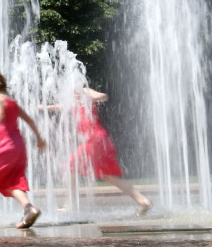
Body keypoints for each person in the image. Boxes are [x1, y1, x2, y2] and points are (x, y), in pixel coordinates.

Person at [56, 87, 152, 216]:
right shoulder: (75, 103)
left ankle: (70, 205)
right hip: (99, 140)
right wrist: (39, 107)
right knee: (107, 176)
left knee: (69, 167)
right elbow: (58, 107)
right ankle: (142, 201)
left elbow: (103, 96)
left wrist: (86, 95)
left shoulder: (85, 94)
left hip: (95, 139)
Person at [0, 69, 47, 229]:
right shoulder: (11, 101)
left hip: (2, 145)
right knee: (11, 181)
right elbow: (30, 120)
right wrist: (39, 139)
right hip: (18, 146)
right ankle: (29, 208)